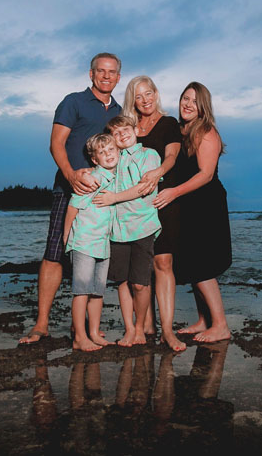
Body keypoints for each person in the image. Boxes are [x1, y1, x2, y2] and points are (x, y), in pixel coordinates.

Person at [19, 53, 122, 344]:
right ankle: (41, 325)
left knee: (94, 257)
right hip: (69, 191)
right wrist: (71, 175)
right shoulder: (73, 101)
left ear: (118, 77)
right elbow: (56, 143)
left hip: (104, 198)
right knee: (56, 252)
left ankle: (88, 328)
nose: (106, 76)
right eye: (100, 71)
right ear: (91, 74)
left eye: (112, 72)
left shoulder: (119, 111)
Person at [153, 82, 231, 343]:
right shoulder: (179, 129)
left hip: (206, 204)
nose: (187, 104)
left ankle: (220, 325)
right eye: (185, 98)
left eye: (194, 101)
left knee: (202, 265)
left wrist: (173, 192)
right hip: (187, 203)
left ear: (203, 108)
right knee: (192, 261)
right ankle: (203, 320)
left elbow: (206, 175)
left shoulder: (206, 131)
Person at [121, 75, 186, 351]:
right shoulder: (129, 127)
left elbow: (172, 157)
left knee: (163, 264)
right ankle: (144, 324)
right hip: (132, 208)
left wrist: (158, 172)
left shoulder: (170, 124)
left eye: (149, 94)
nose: (145, 100)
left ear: (156, 93)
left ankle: (167, 331)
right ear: (132, 101)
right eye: (139, 96)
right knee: (138, 267)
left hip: (162, 200)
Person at [93, 115, 161, 346]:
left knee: (140, 283)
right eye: (116, 133)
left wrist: (113, 198)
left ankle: (141, 327)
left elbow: (144, 188)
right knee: (122, 281)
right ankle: (130, 329)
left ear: (136, 130)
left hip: (142, 226)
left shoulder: (149, 155)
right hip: (117, 229)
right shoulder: (115, 158)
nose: (122, 135)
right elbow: (96, 172)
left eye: (125, 129)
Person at [63, 134, 119, 351]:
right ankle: (79, 337)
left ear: (118, 151)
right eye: (102, 153)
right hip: (84, 241)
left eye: (111, 150)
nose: (108, 155)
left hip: (102, 243)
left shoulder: (116, 178)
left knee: (98, 292)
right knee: (82, 291)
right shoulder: (92, 178)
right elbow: (73, 206)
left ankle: (94, 332)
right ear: (94, 159)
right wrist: (66, 236)